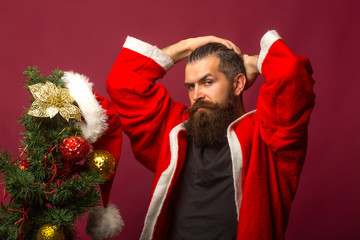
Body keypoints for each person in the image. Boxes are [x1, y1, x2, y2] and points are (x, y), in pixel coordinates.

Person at [106, 30, 315, 240]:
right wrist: (187, 47)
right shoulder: (174, 130)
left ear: (238, 83)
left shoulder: (268, 136)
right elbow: (123, 83)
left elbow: (292, 74)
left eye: (207, 82)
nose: (196, 95)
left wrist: (251, 62)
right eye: (190, 86)